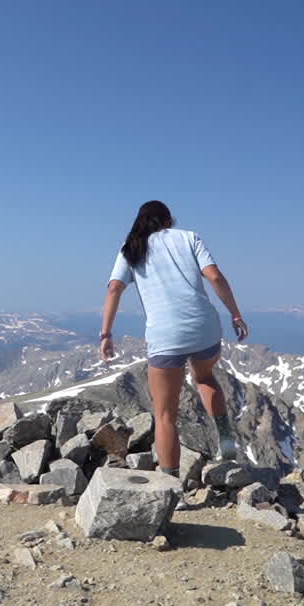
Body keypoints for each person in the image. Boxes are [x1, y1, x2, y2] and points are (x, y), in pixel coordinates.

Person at [99, 200, 249, 479]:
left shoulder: (131, 248)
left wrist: (106, 334)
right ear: (168, 220)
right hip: (205, 325)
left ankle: (171, 486)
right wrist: (235, 314)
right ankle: (226, 438)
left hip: (165, 333)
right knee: (205, 378)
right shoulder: (189, 238)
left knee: (165, 413)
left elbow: (114, 290)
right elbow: (215, 277)